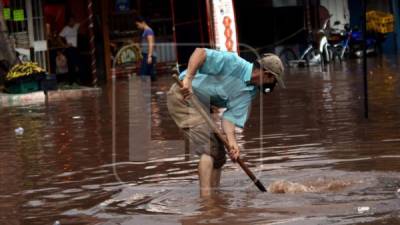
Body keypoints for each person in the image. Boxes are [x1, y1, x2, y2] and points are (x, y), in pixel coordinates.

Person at [167, 48, 285, 197]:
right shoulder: (233, 63)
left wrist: (232, 142)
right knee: (209, 147)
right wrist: (188, 79)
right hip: (182, 96)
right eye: (273, 82)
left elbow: (229, 118)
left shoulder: (250, 92)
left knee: (220, 156)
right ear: (267, 74)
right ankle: (206, 201)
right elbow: (199, 53)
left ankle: (215, 197)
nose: (271, 87)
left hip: (202, 105)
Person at [59, 16, 80, 85]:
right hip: (70, 48)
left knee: (76, 64)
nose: (73, 22)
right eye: (71, 20)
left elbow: (83, 22)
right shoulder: (66, 29)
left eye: (74, 20)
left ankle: (74, 80)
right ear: (69, 21)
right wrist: (64, 45)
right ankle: (72, 81)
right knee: (71, 65)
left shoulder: (76, 26)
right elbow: (59, 37)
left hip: (75, 48)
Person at [135, 16, 157, 81]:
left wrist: (149, 56)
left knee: (143, 75)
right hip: (147, 55)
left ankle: (147, 90)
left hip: (148, 56)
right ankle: (152, 90)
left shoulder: (148, 31)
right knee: (149, 75)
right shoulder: (146, 31)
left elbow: (151, 44)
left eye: (138, 24)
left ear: (143, 22)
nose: (137, 27)